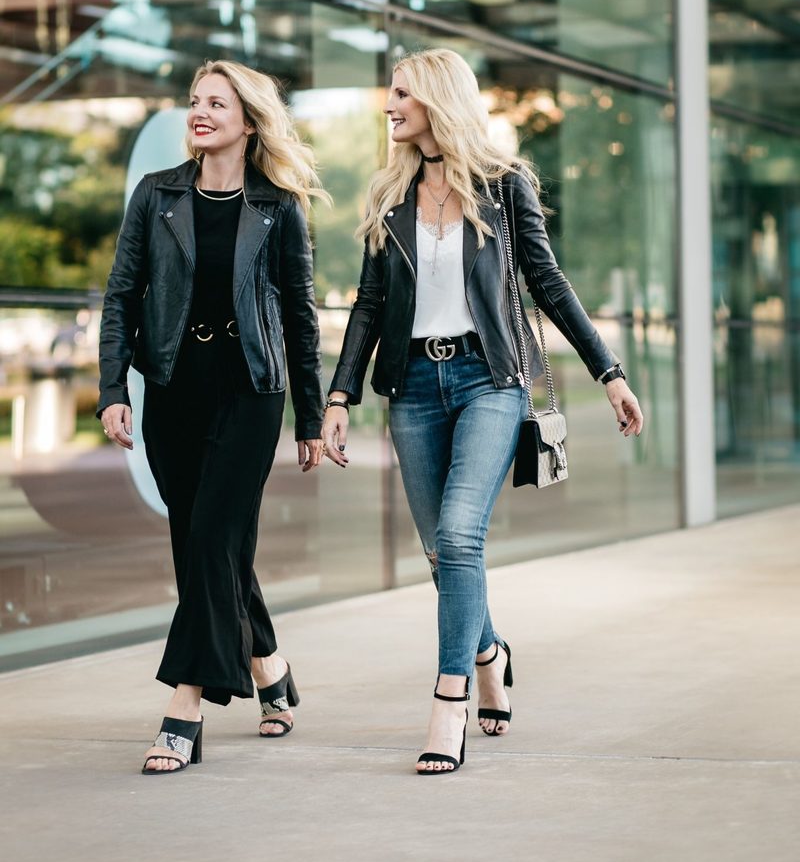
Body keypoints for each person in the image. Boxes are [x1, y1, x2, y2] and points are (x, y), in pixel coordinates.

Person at [322, 48, 644, 777]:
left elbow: (548, 284)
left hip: (489, 380)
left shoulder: (503, 186)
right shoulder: (390, 195)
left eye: (401, 93)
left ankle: (449, 700)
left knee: (461, 534)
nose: (389, 106)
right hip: (411, 388)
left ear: (436, 98)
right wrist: (339, 396)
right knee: (443, 554)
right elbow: (370, 306)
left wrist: (610, 373)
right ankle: (492, 651)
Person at [98, 59, 327, 775]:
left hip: (251, 390)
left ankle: (185, 706)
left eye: (216, 104)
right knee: (207, 542)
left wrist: (312, 418)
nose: (200, 113)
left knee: (211, 538)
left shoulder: (279, 206)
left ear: (248, 121)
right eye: (195, 102)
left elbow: (299, 317)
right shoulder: (155, 195)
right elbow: (119, 297)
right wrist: (113, 388)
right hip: (173, 387)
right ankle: (268, 667)